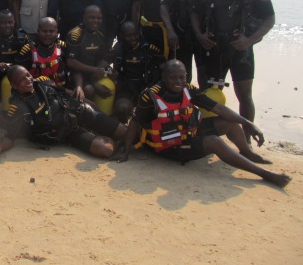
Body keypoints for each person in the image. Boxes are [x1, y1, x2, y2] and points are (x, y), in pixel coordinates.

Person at [114, 60, 290, 188]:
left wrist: (247, 123)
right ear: (163, 78)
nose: (178, 82)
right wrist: (127, 151)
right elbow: (135, 123)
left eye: (181, 77)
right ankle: (265, 174)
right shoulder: (150, 96)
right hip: (168, 145)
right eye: (173, 78)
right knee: (214, 141)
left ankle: (247, 152)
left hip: (187, 132)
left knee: (230, 123)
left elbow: (218, 108)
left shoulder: (189, 89)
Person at [191, 0, 275, 143]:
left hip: (241, 49)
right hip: (214, 48)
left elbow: (269, 18)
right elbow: (194, 13)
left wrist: (249, 40)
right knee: (209, 94)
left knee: (244, 95)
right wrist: (200, 35)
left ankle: (245, 139)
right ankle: (210, 134)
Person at [0, 65, 127, 161]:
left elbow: (65, 92)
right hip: (67, 131)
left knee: (124, 131)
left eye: (27, 75)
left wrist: (91, 106)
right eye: (21, 80)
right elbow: (10, 137)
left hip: (79, 111)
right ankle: (106, 139)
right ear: (14, 85)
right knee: (105, 150)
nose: (27, 80)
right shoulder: (18, 107)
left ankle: (104, 132)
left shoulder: (42, 82)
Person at [159, 0, 218, 85]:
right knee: (183, 71)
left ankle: (202, 101)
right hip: (181, 32)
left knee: (204, 72)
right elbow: (163, 6)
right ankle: (185, 100)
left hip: (204, 34)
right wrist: (170, 30)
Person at [110, 21, 164, 122]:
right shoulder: (118, 48)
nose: (133, 38)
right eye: (129, 35)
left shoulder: (150, 48)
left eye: (135, 34)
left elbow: (165, 68)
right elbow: (103, 64)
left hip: (147, 87)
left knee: (155, 110)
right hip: (127, 87)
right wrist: (111, 73)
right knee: (122, 108)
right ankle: (123, 127)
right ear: (122, 35)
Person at [0, 9, 30, 105]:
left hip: (17, 73)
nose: (7, 26)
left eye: (10, 22)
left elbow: (27, 60)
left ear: (14, 22)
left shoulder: (22, 38)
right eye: (3, 23)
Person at [66, 5, 112, 99]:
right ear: (84, 18)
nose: (96, 21)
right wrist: (96, 72)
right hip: (77, 73)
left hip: (93, 71)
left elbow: (103, 58)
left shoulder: (100, 35)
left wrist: (106, 70)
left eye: (99, 18)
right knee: (89, 90)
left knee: (115, 76)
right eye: (92, 17)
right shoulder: (75, 35)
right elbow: (71, 62)